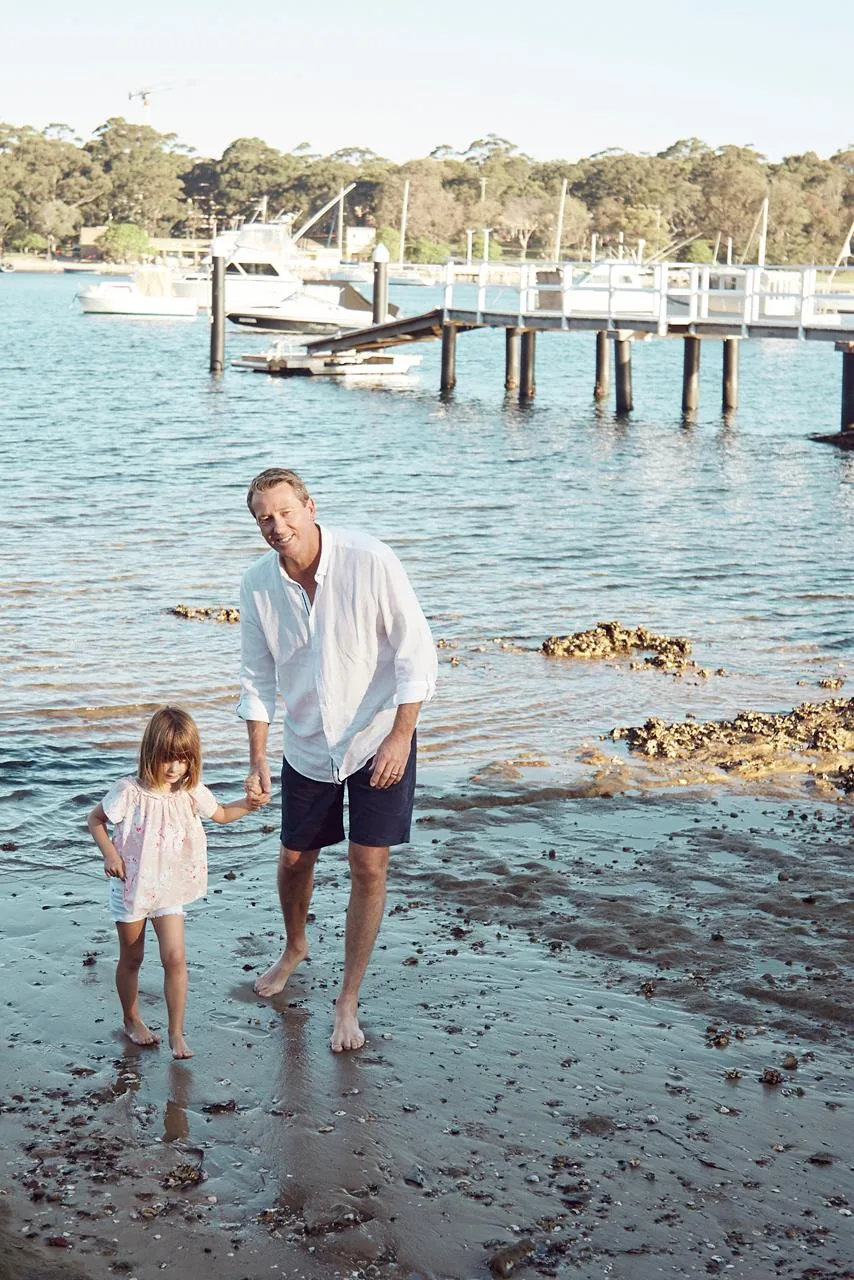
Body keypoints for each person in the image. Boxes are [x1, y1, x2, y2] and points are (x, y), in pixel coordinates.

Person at [239, 467, 437, 1052]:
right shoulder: (256, 585)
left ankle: (347, 998)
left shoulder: (370, 559)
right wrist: (257, 759)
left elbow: (416, 654)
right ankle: (294, 945)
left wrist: (402, 735)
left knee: (367, 866)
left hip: (379, 735)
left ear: (310, 505)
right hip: (306, 742)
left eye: (285, 512)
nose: (277, 526)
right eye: (264, 518)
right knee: (295, 858)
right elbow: (256, 677)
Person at [87, 706, 267, 1059]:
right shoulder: (129, 791)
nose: (174, 767)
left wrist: (249, 803)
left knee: (175, 958)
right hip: (132, 886)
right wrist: (110, 854)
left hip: (169, 887)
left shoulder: (191, 790)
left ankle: (176, 1032)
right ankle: (131, 1018)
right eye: (167, 758)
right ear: (150, 753)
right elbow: (94, 819)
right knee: (133, 958)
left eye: (183, 759)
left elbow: (223, 815)